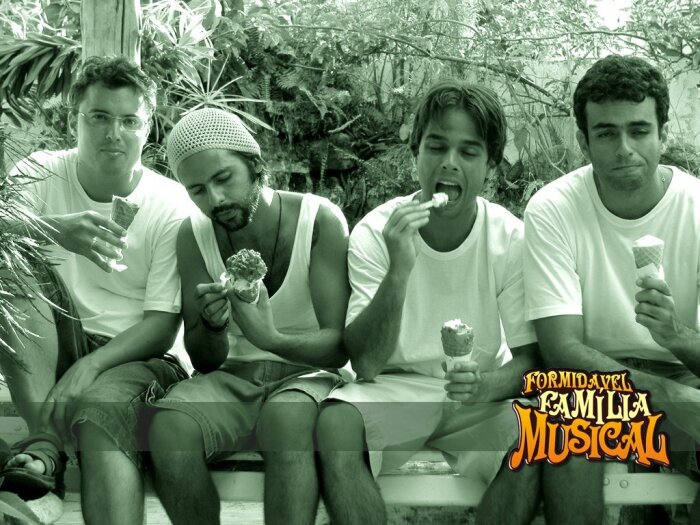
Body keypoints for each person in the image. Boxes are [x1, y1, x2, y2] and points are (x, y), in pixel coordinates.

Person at [314, 80, 540, 525]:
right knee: (335, 426)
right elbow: (367, 364)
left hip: (477, 395)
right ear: (415, 151)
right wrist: (399, 269)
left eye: (469, 152)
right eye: (436, 146)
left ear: (491, 165)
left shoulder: (509, 238)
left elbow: (531, 360)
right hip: (393, 387)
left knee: (541, 437)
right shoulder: (377, 231)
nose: (449, 162)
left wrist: (484, 386)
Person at [0, 55, 191, 524]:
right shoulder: (40, 171)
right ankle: (46, 440)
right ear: (75, 120)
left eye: (129, 121)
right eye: (100, 117)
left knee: (100, 415)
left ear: (148, 128)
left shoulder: (171, 204)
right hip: (49, 342)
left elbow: (162, 325)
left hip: (134, 356)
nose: (113, 133)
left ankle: (43, 452)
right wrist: (51, 229)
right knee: (9, 259)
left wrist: (91, 365)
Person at [147, 107, 350, 525]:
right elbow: (204, 360)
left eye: (224, 178)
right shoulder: (193, 234)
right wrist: (213, 324)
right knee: (168, 429)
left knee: (286, 419)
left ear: (256, 165)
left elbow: (339, 346)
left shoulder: (318, 220)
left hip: (308, 377)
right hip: (232, 379)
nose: (215, 200)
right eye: (197, 190)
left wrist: (272, 339)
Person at [523, 54, 700, 523]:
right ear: (584, 141)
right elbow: (561, 349)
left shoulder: (696, 209)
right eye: (606, 133)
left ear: (663, 134)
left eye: (639, 130)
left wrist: (677, 336)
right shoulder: (553, 209)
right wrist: (663, 395)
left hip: (684, 372)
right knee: (564, 435)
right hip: (593, 382)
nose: (624, 149)